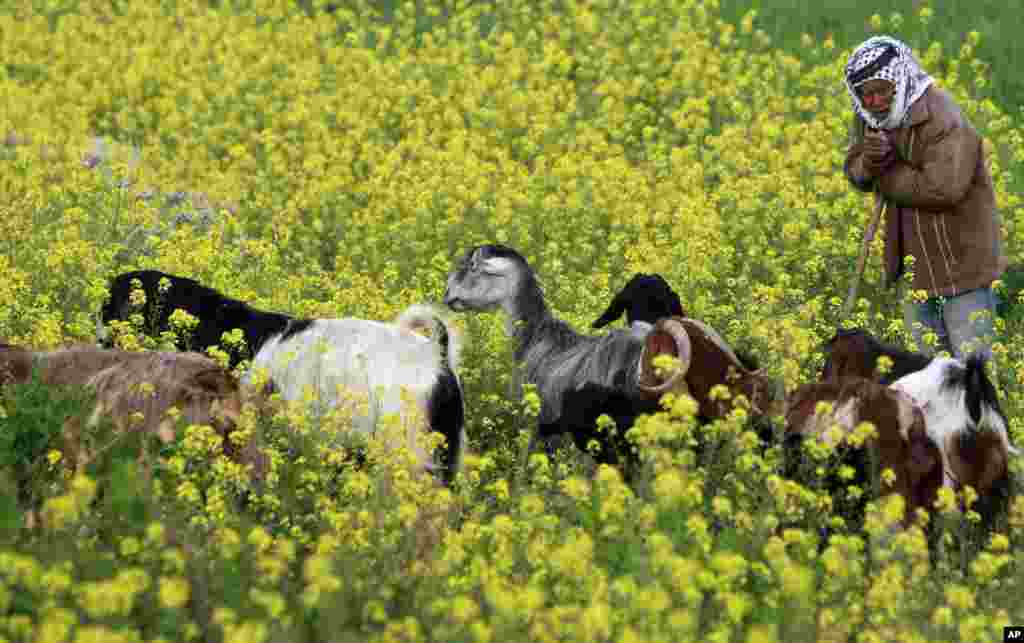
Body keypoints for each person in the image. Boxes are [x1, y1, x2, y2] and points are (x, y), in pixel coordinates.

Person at [843, 35, 1007, 359]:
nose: (873, 101)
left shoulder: (943, 117)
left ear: (899, 78)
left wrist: (885, 174)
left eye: (880, 91)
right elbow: (855, 169)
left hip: (962, 266)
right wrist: (869, 162)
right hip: (917, 269)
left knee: (973, 375)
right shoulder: (870, 117)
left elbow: (944, 188)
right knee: (928, 377)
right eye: (865, 94)